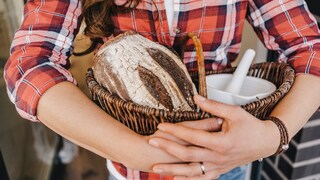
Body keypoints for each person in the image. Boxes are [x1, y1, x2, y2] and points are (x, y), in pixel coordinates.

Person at [4, 0, 320, 179]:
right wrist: (136, 152)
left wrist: (272, 135)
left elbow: (310, 50)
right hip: (130, 169)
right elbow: (30, 67)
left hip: (226, 166)